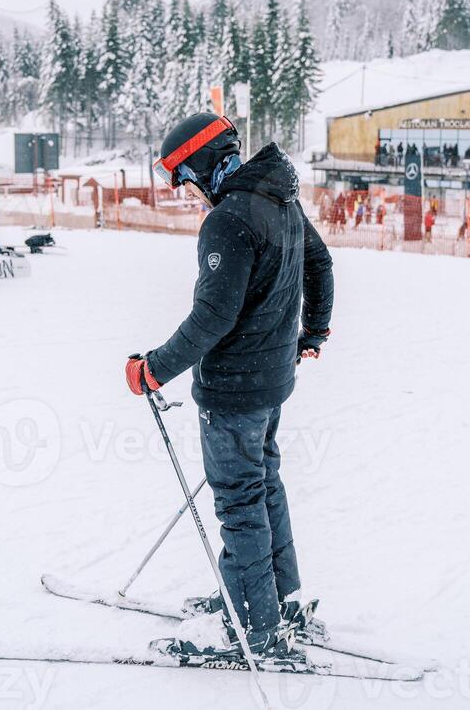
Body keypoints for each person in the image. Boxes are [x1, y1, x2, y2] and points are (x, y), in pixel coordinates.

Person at [125, 113, 334, 659]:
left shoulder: (229, 220)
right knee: (264, 490)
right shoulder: (278, 199)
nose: (189, 192)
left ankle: (251, 628)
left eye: (185, 178)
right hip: (271, 384)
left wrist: (155, 369)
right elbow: (321, 263)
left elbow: (213, 317)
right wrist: (313, 332)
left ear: (202, 163)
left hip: (234, 392)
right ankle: (278, 601)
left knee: (240, 503)